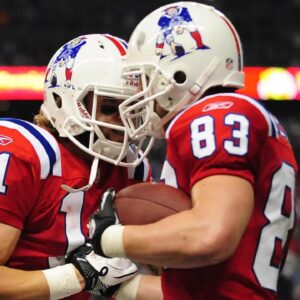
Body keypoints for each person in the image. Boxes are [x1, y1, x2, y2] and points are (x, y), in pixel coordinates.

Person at [88, 2, 299, 299]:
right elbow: (201, 286)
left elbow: (211, 235)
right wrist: (110, 284)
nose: (141, 94)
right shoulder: (239, 116)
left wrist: (108, 237)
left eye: (146, 79)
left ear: (180, 73)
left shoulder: (215, 114)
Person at [0, 33, 156, 300]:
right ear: (63, 101)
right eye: (109, 107)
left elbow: (133, 282)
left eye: (133, 110)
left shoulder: (133, 169)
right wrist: (79, 275)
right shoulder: (24, 153)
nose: (123, 123)